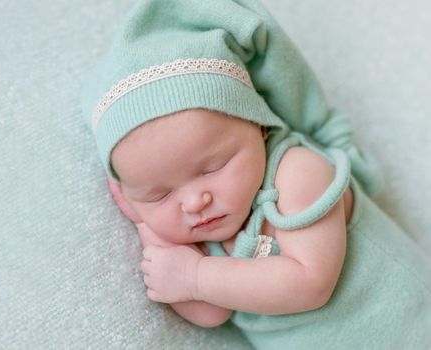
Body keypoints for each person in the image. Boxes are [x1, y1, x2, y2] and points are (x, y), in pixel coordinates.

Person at [81, 0, 431, 348]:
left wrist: (195, 276)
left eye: (212, 167)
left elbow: (310, 283)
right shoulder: (205, 227)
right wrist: (151, 229)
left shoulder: (297, 172)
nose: (193, 202)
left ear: (258, 125)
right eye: (158, 194)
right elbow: (210, 314)